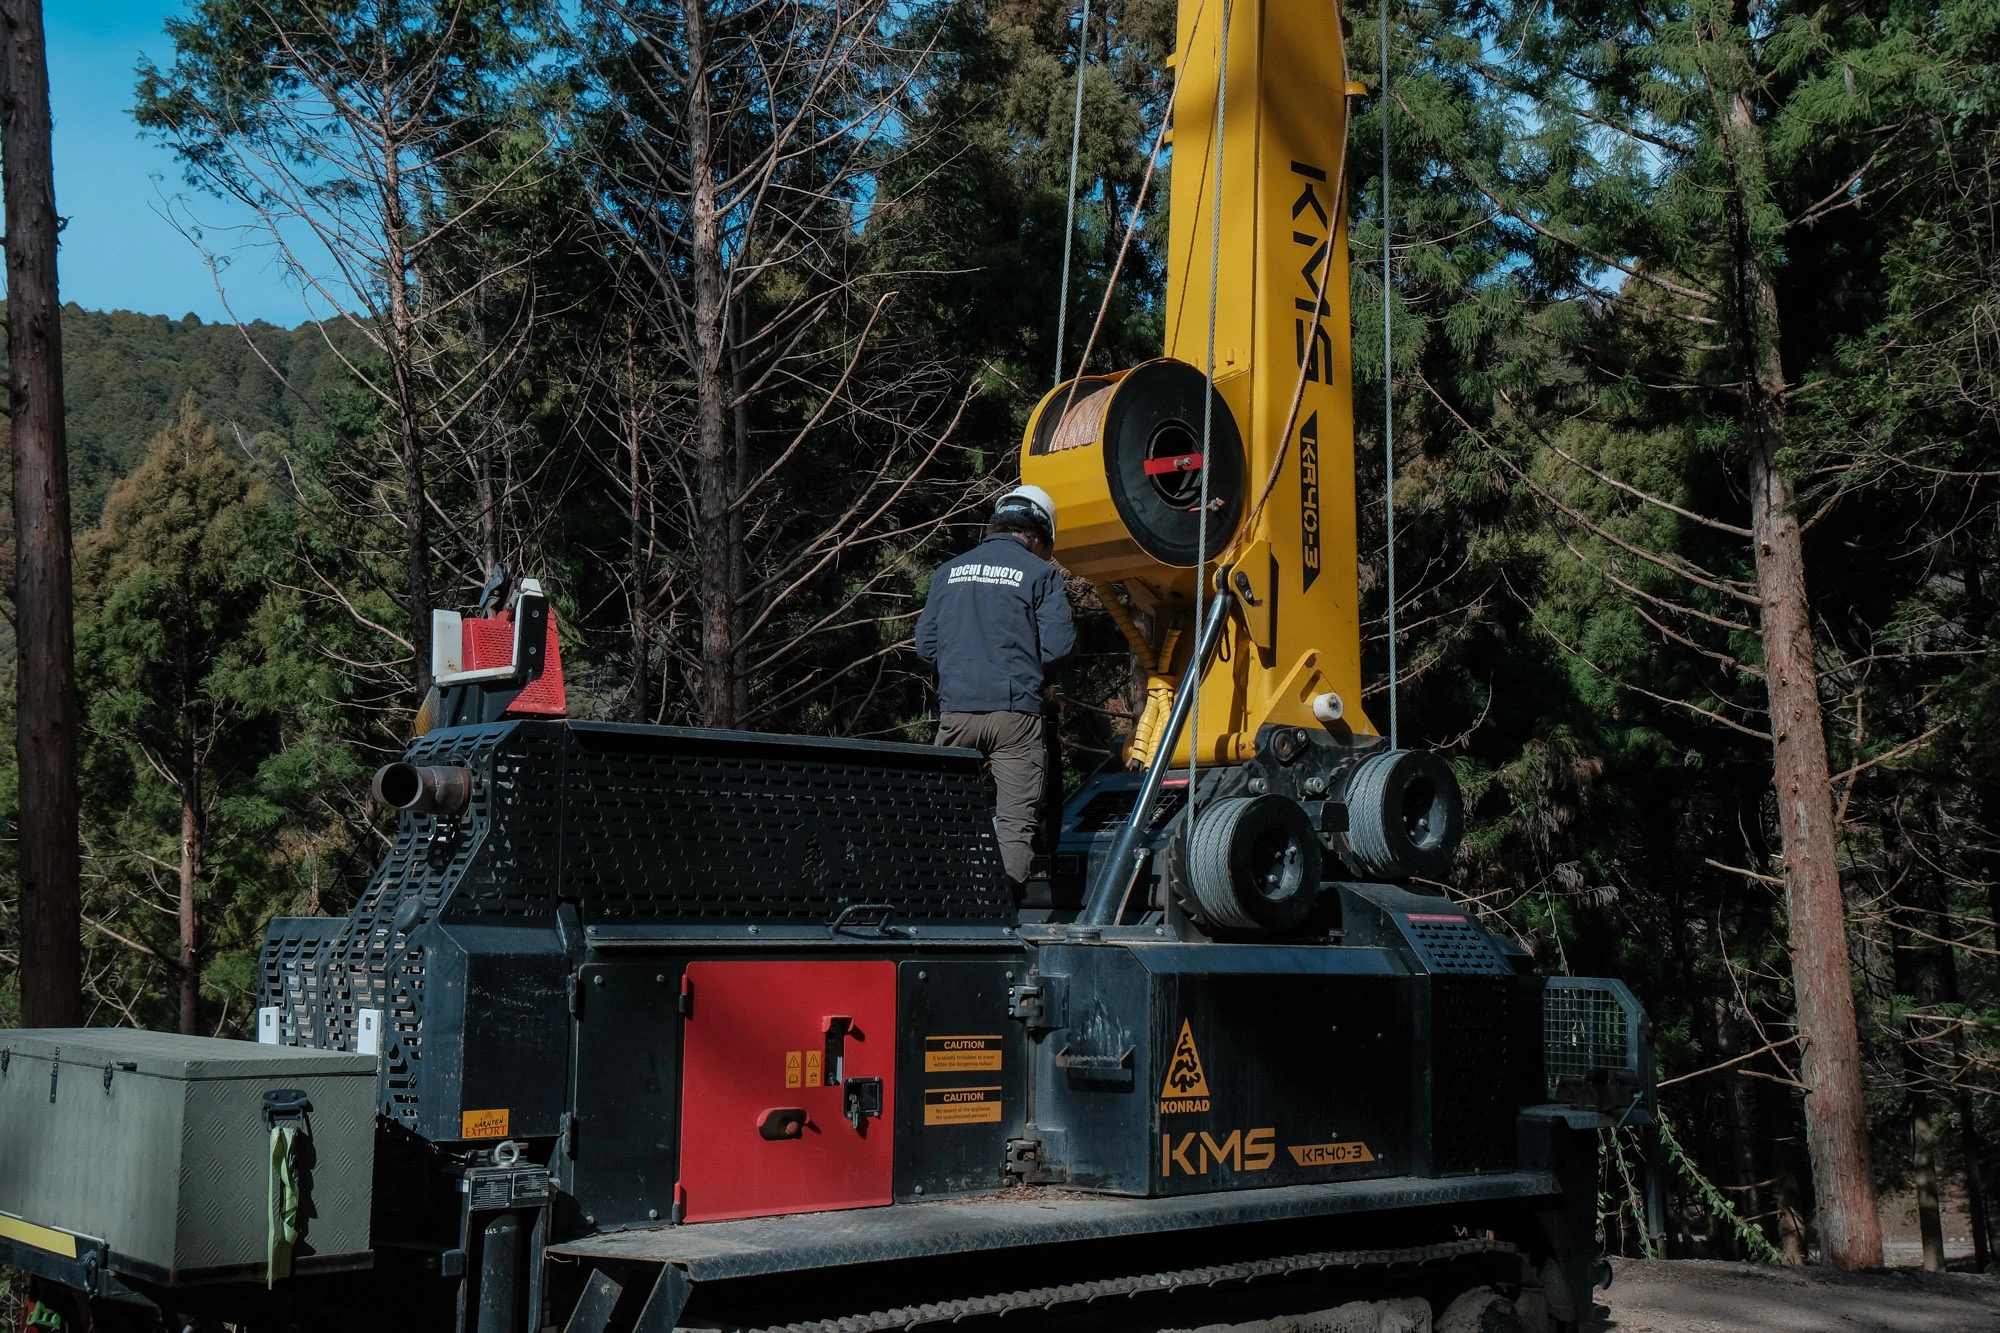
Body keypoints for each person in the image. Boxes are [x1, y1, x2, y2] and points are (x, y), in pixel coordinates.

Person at [915, 485, 1076, 893]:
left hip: (956, 713)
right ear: (1037, 536)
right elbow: (1057, 645)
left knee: (941, 814)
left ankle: (937, 903)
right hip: (1015, 716)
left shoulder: (946, 572)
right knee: (1014, 821)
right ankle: (1004, 913)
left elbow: (927, 646)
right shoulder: (1041, 574)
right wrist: (1032, 680)